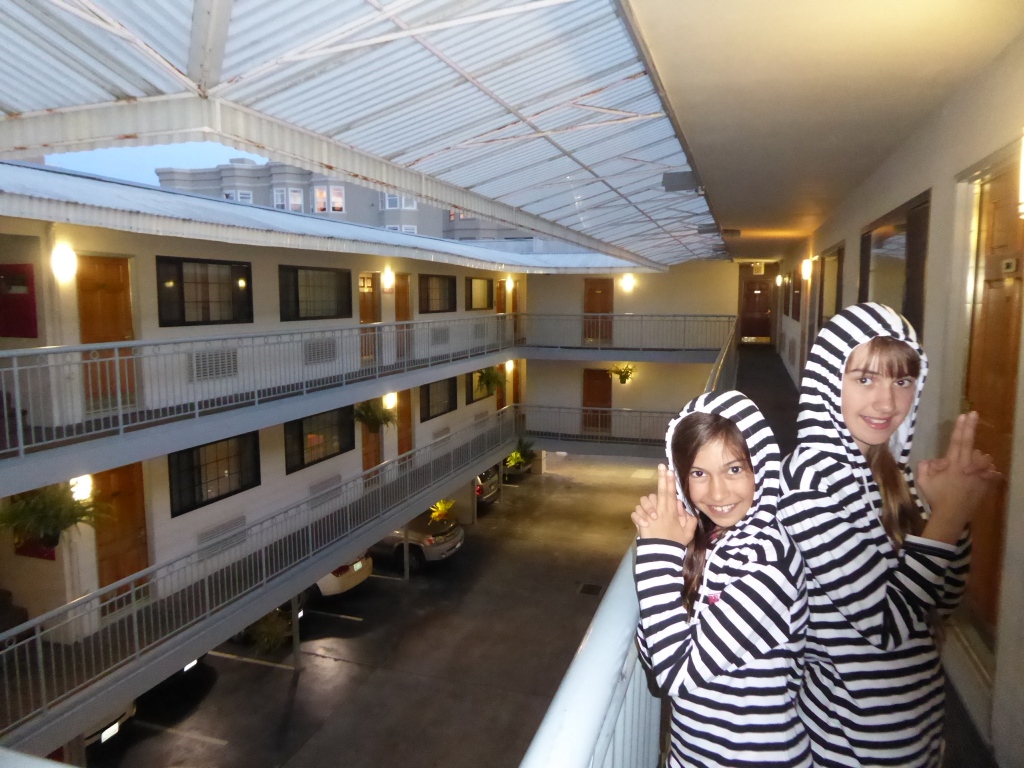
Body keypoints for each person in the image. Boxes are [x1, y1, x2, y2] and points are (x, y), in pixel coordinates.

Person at [778, 302, 998, 767]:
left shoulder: (888, 470)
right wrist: (948, 516)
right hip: (849, 742)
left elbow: (943, 598)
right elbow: (888, 624)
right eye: (865, 379)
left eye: (902, 381)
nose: (887, 403)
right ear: (828, 382)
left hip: (913, 730)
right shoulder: (809, 481)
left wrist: (949, 517)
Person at [632, 390, 810, 768]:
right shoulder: (710, 542)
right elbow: (654, 651)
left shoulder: (771, 564)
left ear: (761, 467)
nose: (717, 492)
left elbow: (674, 674)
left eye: (734, 469)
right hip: (692, 755)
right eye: (699, 473)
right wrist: (673, 549)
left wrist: (657, 551)